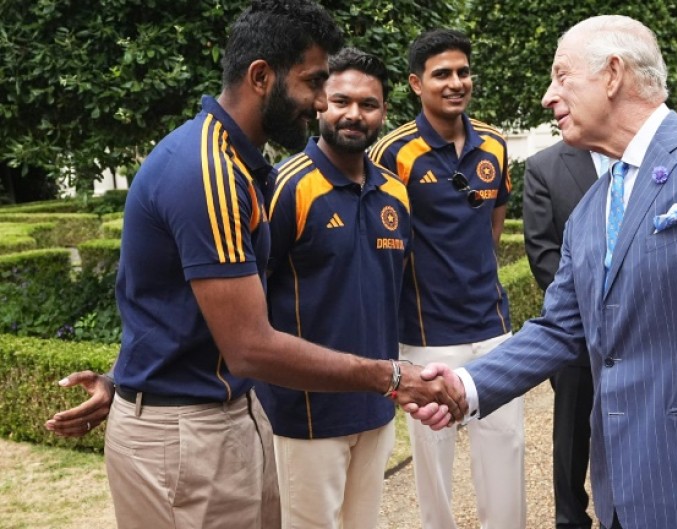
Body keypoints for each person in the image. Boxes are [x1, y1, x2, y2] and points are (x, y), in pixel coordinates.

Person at [413, 14, 677, 529]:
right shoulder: (591, 209)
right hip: (622, 490)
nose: (549, 97)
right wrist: (465, 385)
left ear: (613, 74)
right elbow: (561, 328)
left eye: (562, 76)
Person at [43, 3, 460, 527]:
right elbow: (249, 346)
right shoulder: (210, 172)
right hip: (190, 432)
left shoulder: (240, 167)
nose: (320, 103)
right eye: (314, 83)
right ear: (262, 76)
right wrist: (393, 376)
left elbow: (181, 305)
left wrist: (124, 378)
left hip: (227, 418)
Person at [369, 28, 524, 529]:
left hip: (492, 327)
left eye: (463, 72)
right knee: (433, 468)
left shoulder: (494, 143)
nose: (456, 83)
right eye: (442, 74)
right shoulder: (392, 152)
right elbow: (384, 241)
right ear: (417, 83)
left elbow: (492, 223)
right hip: (426, 335)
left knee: (506, 451)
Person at [255, 48, 408, 529]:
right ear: (321, 101)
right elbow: (250, 299)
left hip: (377, 403)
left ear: (383, 112)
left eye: (369, 104)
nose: (354, 114)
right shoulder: (285, 186)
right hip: (305, 413)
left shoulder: (396, 192)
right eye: (342, 100)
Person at [523, 141, 606, 529]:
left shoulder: (643, 154)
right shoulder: (544, 166)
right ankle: (570, 518)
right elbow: (543, 253)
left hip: (640, 330)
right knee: (571, 436)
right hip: (576, 333)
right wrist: (592, 307)